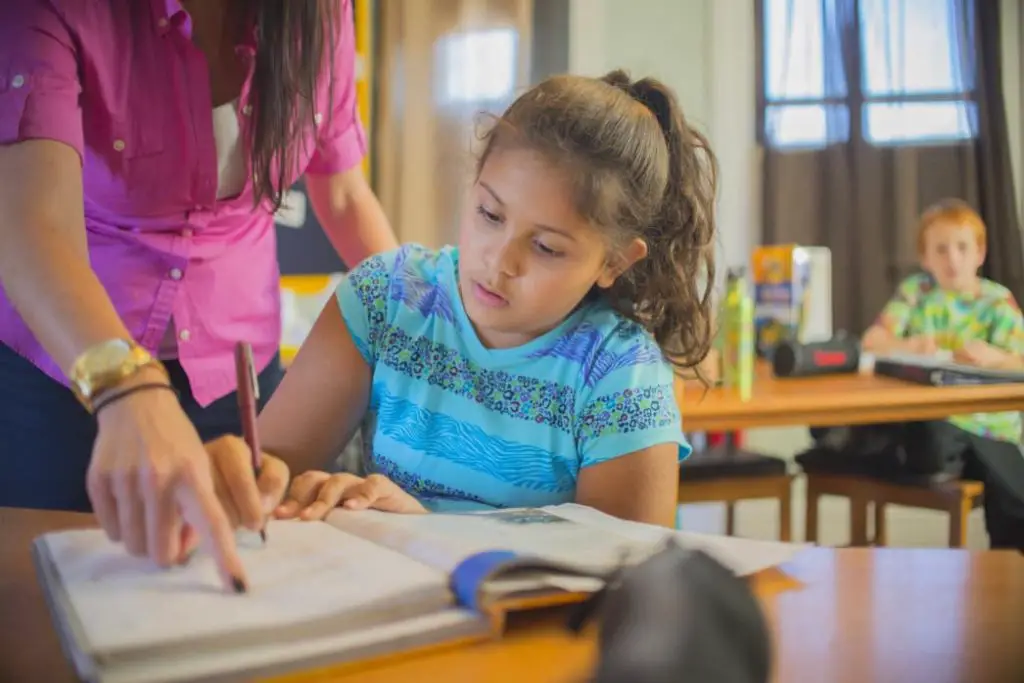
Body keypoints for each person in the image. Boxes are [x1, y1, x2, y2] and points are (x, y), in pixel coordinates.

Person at [130, 69, 716, 591]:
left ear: (614, 262)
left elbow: (628, 581)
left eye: (545, 247)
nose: (500, 260)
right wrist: (252, 478)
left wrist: (429, 530)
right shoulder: (387, 298)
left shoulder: (620, 374)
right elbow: (277, 470)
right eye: (489, 214)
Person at [0, 0, 397, 582]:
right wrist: (127, 390)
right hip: (69, 368)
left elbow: (341, 194)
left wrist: (432, 321)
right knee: (61, 587)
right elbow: (31, 226)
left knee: (249, 578)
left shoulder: (320, 12)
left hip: (237, 375)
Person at [811, 199, 1024, 550]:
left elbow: (1019, 364)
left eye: (961, 247)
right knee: (921, 428)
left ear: (980, 253)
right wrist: (909, 345)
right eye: (941, 249)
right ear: (925, 258)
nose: (952, 259)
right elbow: (873, 340)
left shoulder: (997, 302)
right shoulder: (916, 292)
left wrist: (995, 357)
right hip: (928, 413)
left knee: (937, 440)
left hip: (985, 426)